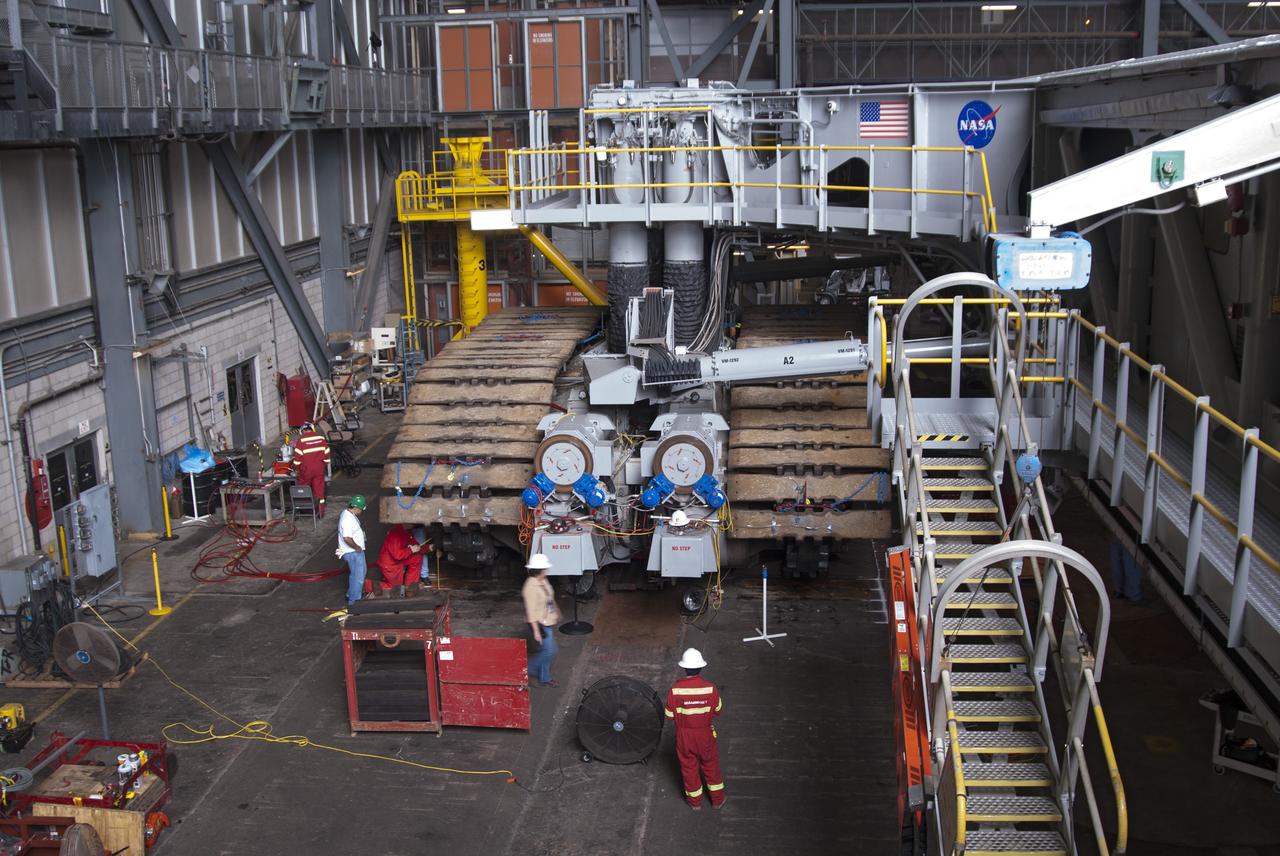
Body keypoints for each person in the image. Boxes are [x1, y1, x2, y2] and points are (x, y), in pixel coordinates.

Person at [665, 648, 726, 810]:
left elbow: (669, 714)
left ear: (684, 668)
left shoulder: (675, 690)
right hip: (705, 734)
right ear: (701, 667)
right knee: (711, 765)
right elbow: (718, 710)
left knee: (688, 768)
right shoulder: (710, 688)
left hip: (684, 736)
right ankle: (717, 801)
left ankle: (695, 803)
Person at [522, 553, 560, 687]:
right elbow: (531, 612)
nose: (547, 570)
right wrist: (536, 632)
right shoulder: (530, 588)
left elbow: (548, 597)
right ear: (541, 570)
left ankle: (545, 678)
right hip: (540, 625)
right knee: (549, 651)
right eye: (545, 568)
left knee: (546, 651)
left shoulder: (542, 580)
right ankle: (526, 671)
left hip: (547, 622)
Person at [372, 524, 436, 598]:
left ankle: (410, 586)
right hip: (390, 564)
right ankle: (370, 584)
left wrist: (429, 548)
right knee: (395, 588)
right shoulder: (395, 533)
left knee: (416, 557)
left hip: (398, 561)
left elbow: (416, 547)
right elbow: (397, 555)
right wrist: (411, 550)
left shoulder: (406, 531)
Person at [293, 422, 332, 518]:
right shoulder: (321, 438)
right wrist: (323, 465)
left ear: (302, 431)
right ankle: (320, 512)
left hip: (306, 471)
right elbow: (327, 455)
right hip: (319, 469)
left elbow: (297, 460)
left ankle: (306, 510)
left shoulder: (301, 440)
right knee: (319, 490)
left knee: (304, 489)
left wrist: (296, 470)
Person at [337, 495, 368, 607]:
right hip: (352, 552)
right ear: (356, 508)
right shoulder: (347, 520)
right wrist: (357, 547)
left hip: (355, 552)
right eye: (361, 510)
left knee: (359, 573)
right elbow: (347, 538)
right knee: (357, 577)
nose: (361, 512)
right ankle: (354, 603)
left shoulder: (349, 514)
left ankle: (351, 594)